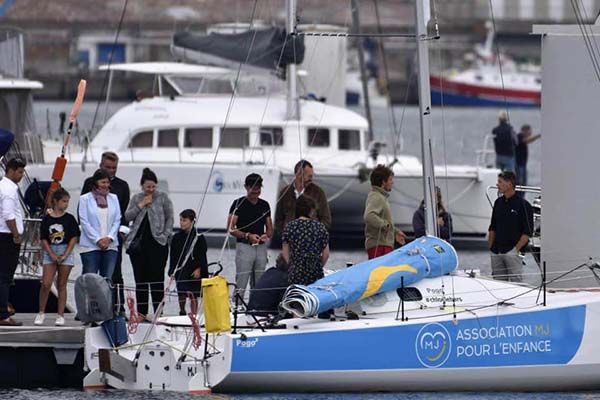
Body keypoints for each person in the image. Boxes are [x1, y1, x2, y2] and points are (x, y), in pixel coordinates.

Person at [81, 151, 130, 313]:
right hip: (92, 240)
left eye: (114, 168)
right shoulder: (88, 184)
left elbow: (122, 214)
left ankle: (117, 307)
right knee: (89, 275)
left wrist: (115, 235)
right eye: (108, 167)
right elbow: (83, 216)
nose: (111, 171)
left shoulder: (122, 187)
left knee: (115, 274)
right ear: (101, 165)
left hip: (113, 238)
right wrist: (97, 239)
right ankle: (87, 309)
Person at [125, 168, 173, 321]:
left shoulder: (163, 198)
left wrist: (165, 236)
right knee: (140, 280)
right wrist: (141, 204)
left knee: (157, 279)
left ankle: (158, 312)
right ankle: (141, 313)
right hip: (138, 245)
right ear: (142, 186)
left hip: (158, 244)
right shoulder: (136, 198)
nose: (151, 190)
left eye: (153, 186)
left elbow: (170, 218)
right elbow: (127, 216)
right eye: (148, 187)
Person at [35, 188, 80, 326]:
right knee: (46, 283)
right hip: (51, 250)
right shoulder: (47, 219)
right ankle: (41, 312)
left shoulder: (70, 219)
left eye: (67, 201)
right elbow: (43, 239)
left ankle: (60, 315)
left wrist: (65, 254)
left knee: (62, 284)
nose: (66, 204)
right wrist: (52, 254)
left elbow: (74, 238)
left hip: (66, 249)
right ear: (55, 201)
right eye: (64, 201)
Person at [227, 173, 273, 300]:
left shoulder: (265, 205)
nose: (255, 190)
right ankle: (237, 306)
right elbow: (230, 228)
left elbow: (270, 229)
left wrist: (266, 236)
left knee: (259, 280)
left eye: (258, 187)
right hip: (244, 246)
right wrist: (247, 235)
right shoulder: (238, 203)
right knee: (242, 279)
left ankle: (256, 306)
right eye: (252, 187)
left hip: (261, 248)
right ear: (246, 187)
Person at [488, 171, 533, 282]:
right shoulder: (498, 203)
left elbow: (527, 232)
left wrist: (515, 250)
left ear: (509, 184)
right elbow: (492, 227)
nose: (497, 184)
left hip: (513, 252)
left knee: (516, 284)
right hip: (496, 251)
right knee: (497, 284)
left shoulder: (524, 205)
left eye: (500, 182)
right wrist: (491, 248)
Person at [78, 169, 121, 278]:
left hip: (110, 246)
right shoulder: (85, 199)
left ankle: (108, 296)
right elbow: (84, 221)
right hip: (90, 247)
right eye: (103, 182)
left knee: (107, 281)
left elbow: (117, 220)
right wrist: (98, 240)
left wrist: (109, 238)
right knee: (90, 280)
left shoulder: (114, 198)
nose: (105, 185)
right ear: (96, 183)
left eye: (107, 182)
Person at [275, 160, 331, 239]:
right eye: (309, 176)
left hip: (311, 242)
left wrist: (314, 233)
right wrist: (284, 235)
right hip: (289, 242)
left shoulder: (318, 193)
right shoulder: (285, 193)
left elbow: (326, 220)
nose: (311, 179)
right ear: (299, 174)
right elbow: (278, 219)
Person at [0, 158, 26, 326]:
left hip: (2, 235)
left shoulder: (2, 185)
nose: (22, 175)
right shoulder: (9, 189)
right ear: (11, 170)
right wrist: (16, 234)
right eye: (20, 171)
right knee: (5, 277)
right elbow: (9, 215)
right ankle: (3, 314)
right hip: (7, 236)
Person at [282, 195, 330, 286]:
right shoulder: (320, 227)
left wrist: (293, 266)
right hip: (315, 274)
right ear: (310, 210)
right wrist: (318, 266)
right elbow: (326, 254)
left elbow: (285, 253)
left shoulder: (290, 227)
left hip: (295, 274)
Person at [168, 209, 208, 316]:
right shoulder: (176, 237)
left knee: (193, 293)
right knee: (181, 291)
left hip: (194, 268)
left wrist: (199, 269)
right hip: (181, 268)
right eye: (180, 220)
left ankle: (194, 313)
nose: (181, 223)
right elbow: (173, 255)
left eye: (184, 220)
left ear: (192, 221)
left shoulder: (199, 237)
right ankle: (182, 311)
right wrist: (171, 271)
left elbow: (202, 255)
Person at [363, 165, 407, 259]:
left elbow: (383, 220)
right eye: (390, 179)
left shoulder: (381, 197)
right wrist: (385, 226)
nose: (392, 182)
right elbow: (369, 216)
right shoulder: (376, 196)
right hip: (379, 246)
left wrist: (395, 232)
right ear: (383, 182)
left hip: (384, 245)